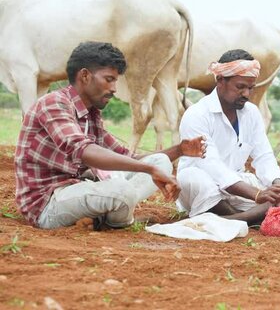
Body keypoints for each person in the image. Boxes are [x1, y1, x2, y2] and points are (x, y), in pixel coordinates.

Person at [15, 41, 206, 230]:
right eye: (109, 79)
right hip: (48, 205)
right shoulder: (54, 103)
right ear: (85, 76)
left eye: (115, 80)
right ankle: (115, 221)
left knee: (161, 162)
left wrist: (179, 150)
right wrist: (148, 169)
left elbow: (128, 158)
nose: (114, 88)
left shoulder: (91, 115)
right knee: (123, 191)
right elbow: (84, 150)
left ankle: (108, 216)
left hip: (79, 190)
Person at [176, 49, 280, 225]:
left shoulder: (251, 112)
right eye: (240, 87)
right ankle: (251, 217)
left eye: (250, 88)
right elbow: (212, 167)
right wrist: (257, 195)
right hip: (205, 186)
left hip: (239, 185)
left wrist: (278, 185)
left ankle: (239, 218)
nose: (246, 94)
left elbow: (264, 157)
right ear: (220, 80)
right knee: (192, 177)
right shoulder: (197, 114)